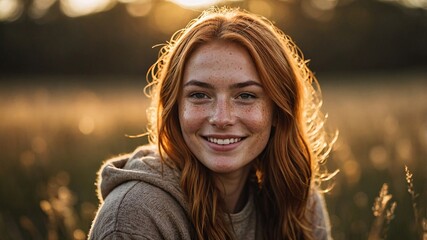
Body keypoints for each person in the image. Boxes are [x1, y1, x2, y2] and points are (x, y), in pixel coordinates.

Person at [88, 6, 337, 240]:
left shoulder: (298, 199)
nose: (221, 118)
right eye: (199, 95)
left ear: (279, 111)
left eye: (246, 96)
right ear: (175, 108)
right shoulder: (137, 216)